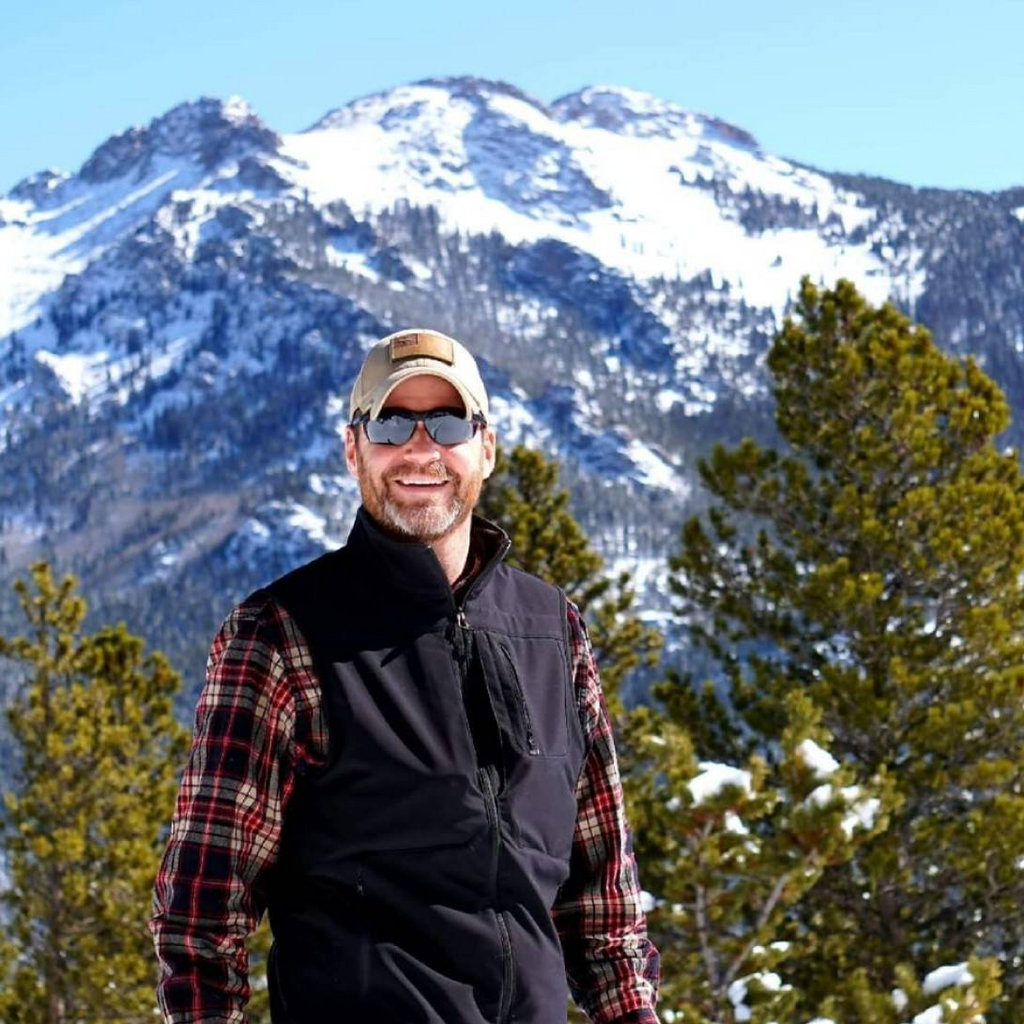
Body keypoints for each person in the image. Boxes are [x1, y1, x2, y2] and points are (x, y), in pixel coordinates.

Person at [151, 328, 660, 1023]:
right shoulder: (282, 635)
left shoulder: (552, 630)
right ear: (353, 449)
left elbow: (604, 912)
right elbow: (201, 918)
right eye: (391, 424)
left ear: (486, 447)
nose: (421, 449)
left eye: (448, 423)